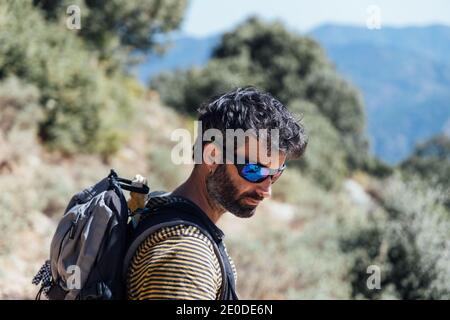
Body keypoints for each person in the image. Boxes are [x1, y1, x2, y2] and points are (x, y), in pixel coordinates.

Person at [126, 86, 308, 300]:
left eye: (275, 174)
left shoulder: (163, 207)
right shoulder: (187, 255)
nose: (267, 190)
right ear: (212, 156)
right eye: (254, 170)